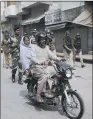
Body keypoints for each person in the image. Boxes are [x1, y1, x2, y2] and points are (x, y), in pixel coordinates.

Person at [30, 31, 61, 102]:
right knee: (44, 77)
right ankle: (38, 95)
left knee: (57, 73)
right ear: (38, 40)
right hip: (36, 68)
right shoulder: (34, 47)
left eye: (44, 39)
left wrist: (59, 59)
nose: (43, 41)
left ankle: (52, 90)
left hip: (45, 67)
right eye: (42, 39)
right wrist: (39, 62)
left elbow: (51, 55)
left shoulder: (46, 47)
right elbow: (32, 57)